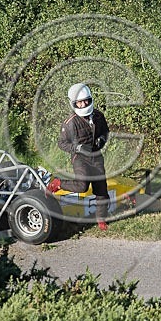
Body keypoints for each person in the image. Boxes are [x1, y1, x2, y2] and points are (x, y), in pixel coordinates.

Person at [47, 83, 110, 230]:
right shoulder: (69, 123)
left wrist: (102, 139)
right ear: (74, 103)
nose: (83, 104)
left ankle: (101, 219)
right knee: (82, 186)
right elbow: (62, 143)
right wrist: (77, 148)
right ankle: (57, 183)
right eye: (79, 102)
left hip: (96, 156)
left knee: (101, 190)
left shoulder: (99, 116)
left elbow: (106, 132)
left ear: (90, 99)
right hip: (79, 158)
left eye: (85, 101)